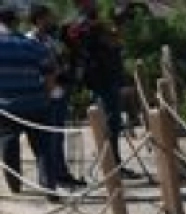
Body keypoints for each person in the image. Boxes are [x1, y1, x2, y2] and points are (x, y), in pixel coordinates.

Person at [61, 0, 131, 171]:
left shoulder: (90, 23)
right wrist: (117, 21)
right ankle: (111, 164)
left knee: (112, 121)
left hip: (106, 76)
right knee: (109, 121)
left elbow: (116, 41)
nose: (95, 3)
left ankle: (113, 162)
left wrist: (119, 20)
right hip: (100, 78)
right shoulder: (81, 25)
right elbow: (113, 41)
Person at [26, 5, 80, 189]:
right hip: (43, 92)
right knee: (48, 135)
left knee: (59, 134)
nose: (51, 21)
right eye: (48, 17)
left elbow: (61, 58)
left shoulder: (50, 39)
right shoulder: (29, 41)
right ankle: (52, 175)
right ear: (39, 19)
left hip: (59, 90)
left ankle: (61, 173)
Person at [0, 5, 52, 194]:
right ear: (16, 22)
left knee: (9, 146)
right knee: (43, 148)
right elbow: (49, 72)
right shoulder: (32, 44)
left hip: (6, 105)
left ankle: (16, 187)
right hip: (35, 101)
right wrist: (46, 95)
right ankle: (49, 187)